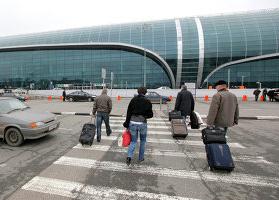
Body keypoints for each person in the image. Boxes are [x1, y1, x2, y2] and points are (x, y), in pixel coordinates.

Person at [123, 87, 153, 166]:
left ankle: (129, 156)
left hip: (132, 123)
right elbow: (151, 115)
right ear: (145, 92)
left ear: (138, 92)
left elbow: (128, 112)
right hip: (142, 123)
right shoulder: (147, 101)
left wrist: (126, 123)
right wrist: (145, 116)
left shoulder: (133, 100)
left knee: (133, 141)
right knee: (143, 141)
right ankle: (140, 158)